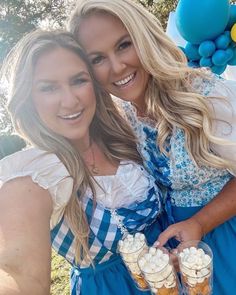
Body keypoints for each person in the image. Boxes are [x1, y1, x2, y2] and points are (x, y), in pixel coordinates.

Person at [68, 0, 236, 294]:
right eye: (97, 58)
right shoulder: (123, 116)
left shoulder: (206, 97)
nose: (117, 66)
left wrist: (199, 222)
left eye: (124, 45)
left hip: (226, 241)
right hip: (181, 255)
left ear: (144, 36)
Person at [0, 29, 163, 295]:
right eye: (49, 87)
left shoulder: (123, 135)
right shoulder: (37, 173)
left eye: (78, 81)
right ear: (27, 98)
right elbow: (16, 273)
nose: (70, 100)